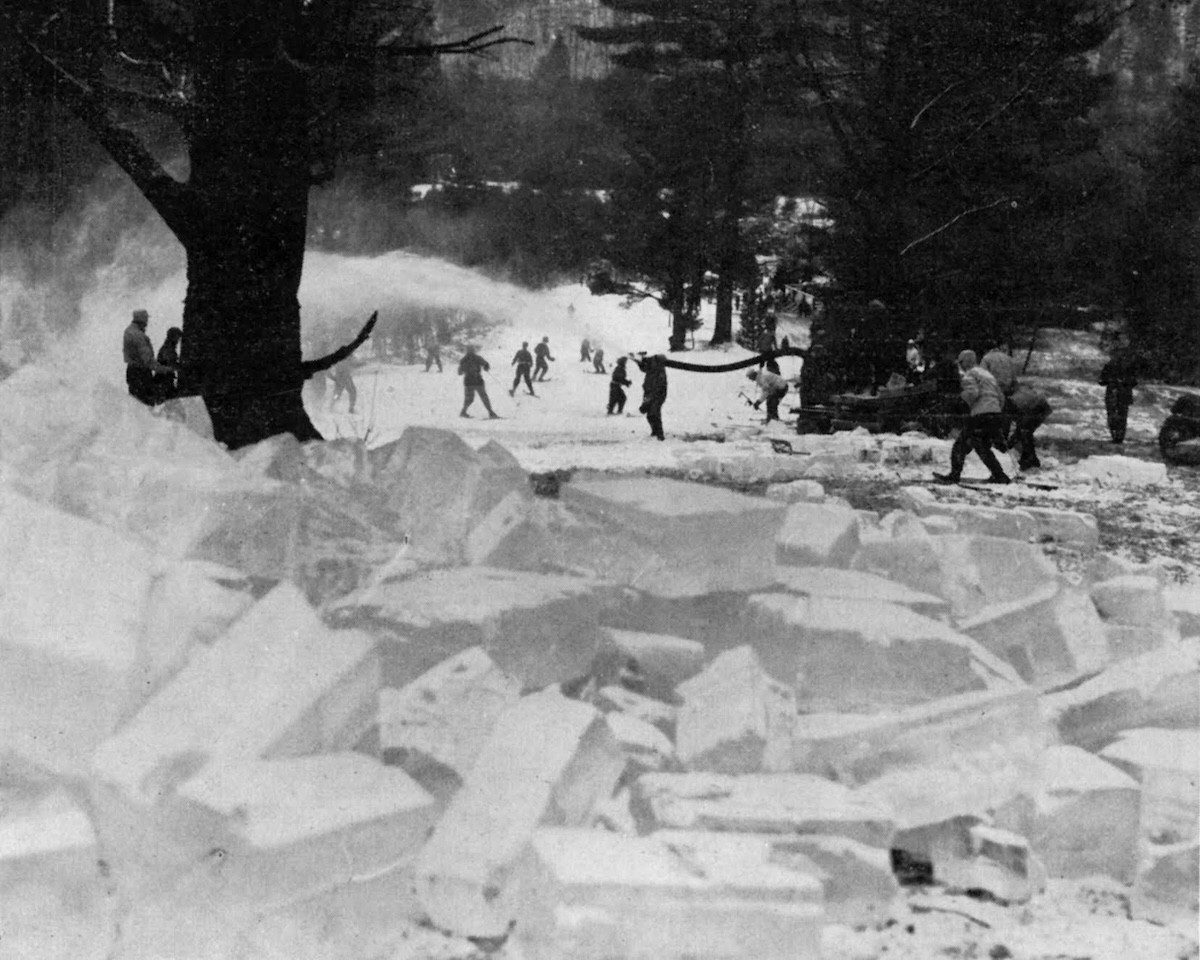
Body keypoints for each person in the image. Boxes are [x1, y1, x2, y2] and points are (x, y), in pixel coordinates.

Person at [933, 350, 1011, 485]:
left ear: (965, 362)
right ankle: (999, 476)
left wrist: (961, 399)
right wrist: (995, 410)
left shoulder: (970, 374)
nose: (960, 366)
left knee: (960, 445)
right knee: (982, 446)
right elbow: (1001, 397)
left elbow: (973, 393)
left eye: (961, 362)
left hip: (981, 415)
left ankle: (954, 476)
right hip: (995, 413)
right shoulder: (987, 375)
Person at [123, 309, 176, 406]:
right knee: (145, 405)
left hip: (132, 372)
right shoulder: (139, 336)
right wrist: (166, 369)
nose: (147, 323)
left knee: (135, 403)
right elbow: (148, 360)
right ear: (143, 320)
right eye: (146, 319)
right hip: (141, 374)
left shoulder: (129, 331)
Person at [1099, 339, 1138, 444]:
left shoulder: (1109, 365)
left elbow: (1101, 381)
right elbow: (1134, 382)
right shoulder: (1128, 366)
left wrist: (1112, 381)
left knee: (1113, 414)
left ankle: (1116, 436)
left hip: (1113, 392)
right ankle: (1119, 437)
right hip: (1123, 392)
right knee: (1122, 415)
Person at [1008, 383, 1052, 471]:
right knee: (1025, 433)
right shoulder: (1020, 391)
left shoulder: (1010, 402)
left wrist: (1008, 443)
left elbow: (1010, 426)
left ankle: (1031, 462)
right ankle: (1030, 460)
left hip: (1035, 408)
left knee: (1024, 432)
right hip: (1042, 406)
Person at [459, 344, 500, 418]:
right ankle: (491, 413)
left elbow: (459, 372)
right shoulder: (477, 358)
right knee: (484, 397)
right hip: (477, 380)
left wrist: (465, 370)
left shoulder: (464, 360)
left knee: (470, 399)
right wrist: (486, 367)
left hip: (469, 382)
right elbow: (486, 364)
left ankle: (463, 412)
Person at [634, 353, 668, 440]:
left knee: (654, 413)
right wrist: (638, 362)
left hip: (657, 395)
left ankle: (660, 434)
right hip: (649, 394)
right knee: (650, 415)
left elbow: (658, 387)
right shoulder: (653, 368)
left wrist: (650, 397)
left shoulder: (660, 373)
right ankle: (654, 431)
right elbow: (644, 368)